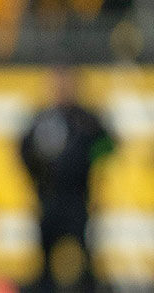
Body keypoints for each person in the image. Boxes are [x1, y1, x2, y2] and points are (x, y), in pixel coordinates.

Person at [20, 66, 116, 293]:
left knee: (84, 256)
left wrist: (94, 169)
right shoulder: (42, 117)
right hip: (48, 198)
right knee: (45, 258)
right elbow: (24, 150)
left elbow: (108, 146)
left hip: (77, 198)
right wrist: (35, 181)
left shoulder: (86, 119)